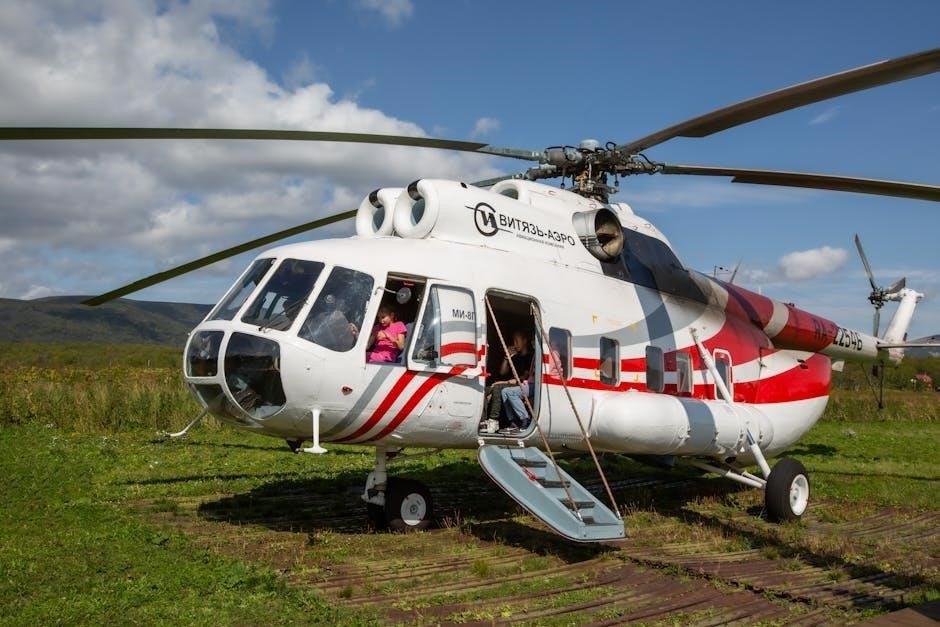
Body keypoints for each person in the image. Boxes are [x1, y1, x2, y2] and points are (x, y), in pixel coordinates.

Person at [500, 343, 561, 431]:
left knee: (511, 392)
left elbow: (550, 373)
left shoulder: (552, 354)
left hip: (541, 385)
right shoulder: (537, 354)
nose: (533, 343)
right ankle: (514, 422)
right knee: (504, 391)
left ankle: (525, 419)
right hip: (532, 383)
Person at [484, 330, 533, 426]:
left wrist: (504, 382)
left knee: (497, 388)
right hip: (510, 382)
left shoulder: (530, 357)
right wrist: (507, 357)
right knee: (486, 390)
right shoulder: (516, 356)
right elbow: (502, 372)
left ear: (524, 341)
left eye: (517, 341)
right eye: (514, 341)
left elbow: (524, 377)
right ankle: (483, 419)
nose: (515, 344)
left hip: (520, 384)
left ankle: (494, 420)